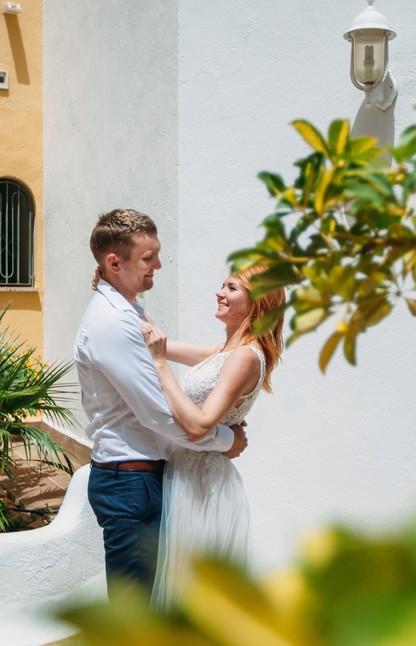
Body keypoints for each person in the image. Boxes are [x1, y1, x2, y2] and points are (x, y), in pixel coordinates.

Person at [74, 208, 248, 600]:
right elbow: (157, 413)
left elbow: (201, 354)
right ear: (115, 262)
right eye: (148, 259)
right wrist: (225, 440)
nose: (159, 266)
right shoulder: (112, 322)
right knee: (133, 613)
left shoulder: (125, 310)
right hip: (130, 483)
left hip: (144, 479)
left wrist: (107, 281)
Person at [139, 264, 285, 610]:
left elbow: (200, 425)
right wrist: (123, 291)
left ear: (257, 304)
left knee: (193, 592)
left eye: (231, 288)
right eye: (222, 285)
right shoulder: (224, 352)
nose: (220, 293)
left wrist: (161, 366)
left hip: (203, 485)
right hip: (187, 474)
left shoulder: (246, 358)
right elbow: (160, 341)